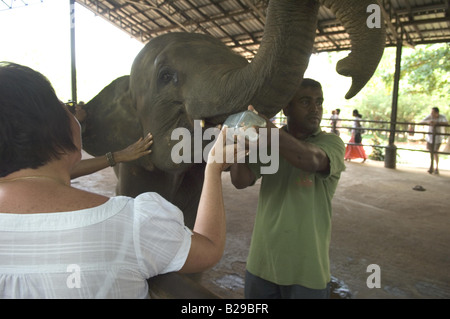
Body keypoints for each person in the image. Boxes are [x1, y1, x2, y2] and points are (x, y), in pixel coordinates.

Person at [0, 62, 241, 298]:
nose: (75, 115)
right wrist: (214, 166)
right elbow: (208, 248)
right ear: (54, 131)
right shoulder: (131, 222)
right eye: (67, 109)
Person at [230, 78, 346, 299]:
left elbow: (310, 160)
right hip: (261, 263)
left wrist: (266, 129)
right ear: (287, 107)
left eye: (319, 102)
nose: (315, 109)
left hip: (306, 270)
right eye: (305, 102)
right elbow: (240, 180)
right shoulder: (270, 143)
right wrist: (238, 146)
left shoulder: (330, 143)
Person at [419, 107, 448, 174]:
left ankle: (436, 167)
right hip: (430, 137)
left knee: (435, 152)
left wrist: (436, 123)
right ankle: (431, 166)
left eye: (433, 112)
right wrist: (428, 122)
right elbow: (421, 121)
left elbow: (446, 123)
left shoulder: (442, 117)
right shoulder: (430, 116)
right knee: (431, 152)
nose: (431, 114)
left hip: (438, 137)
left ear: (437, 113)